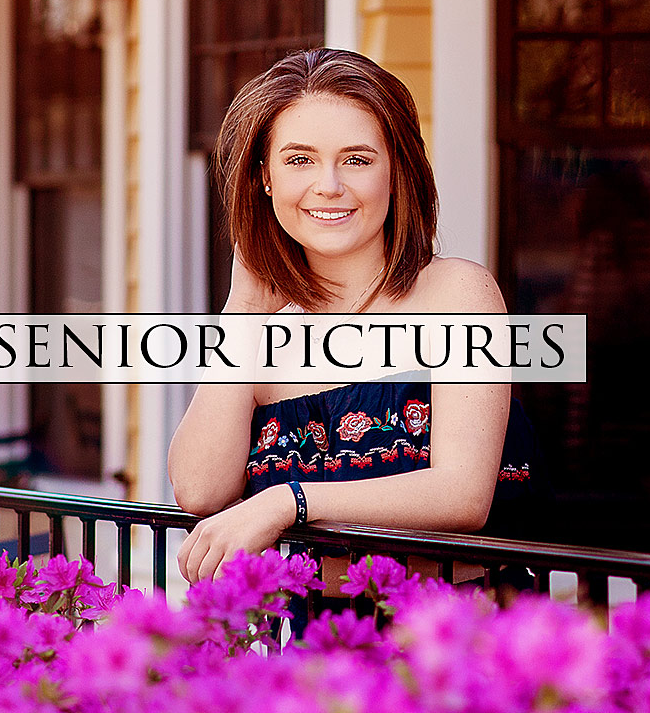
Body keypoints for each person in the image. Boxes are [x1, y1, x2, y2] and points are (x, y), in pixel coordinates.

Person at [168, 48, 546, 595]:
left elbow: (462, 495)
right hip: (314, 653)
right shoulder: (263, 327)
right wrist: (243, 308)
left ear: (397, 173)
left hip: (453, 643)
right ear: (266, 178)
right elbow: (199, 490)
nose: (329, 185)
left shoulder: (456, 292)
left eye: (357, 159)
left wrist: (288, 502)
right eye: (299, 159)